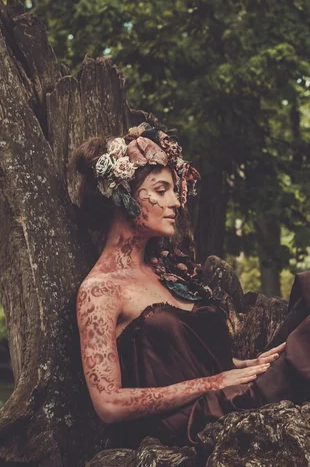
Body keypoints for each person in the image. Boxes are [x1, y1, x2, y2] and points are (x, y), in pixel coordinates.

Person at [72, 122, 310, 447]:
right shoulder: (99, 290)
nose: (175, 202)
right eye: (160, 191)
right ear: (122, 198)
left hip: (227, 393)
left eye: (173, 190)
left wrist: (242, 366)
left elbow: (181, 355)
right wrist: (215, 382)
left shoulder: (163, 270)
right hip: (195, 421)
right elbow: (109, 404)